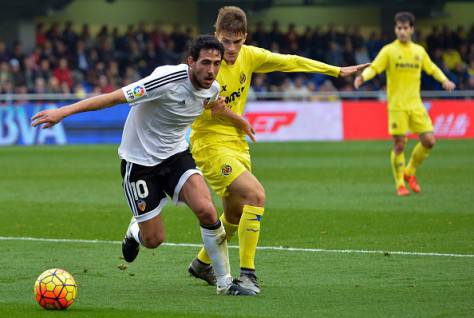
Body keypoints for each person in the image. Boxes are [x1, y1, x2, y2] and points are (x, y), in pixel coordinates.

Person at [31, 35, 256, 296]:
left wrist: (236, 119)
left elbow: (211, 104)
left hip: (175, 157)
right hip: (139, 163)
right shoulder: (165, 81)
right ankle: (135, 231)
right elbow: (114, 97)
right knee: (154, 240)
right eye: (206, 62)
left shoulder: (213, 87)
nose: (212, 70)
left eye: (217, 63)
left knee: (207, 210)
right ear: (191, 61)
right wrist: (63, 112)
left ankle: (225, 282)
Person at [187, 6, 370, 294]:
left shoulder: (250, 56)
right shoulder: (208, 66)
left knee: (234, 215)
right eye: (225, 41)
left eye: (237, 41)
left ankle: (201, 264)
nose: (231, 49)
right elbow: (212, 110)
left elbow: (290, 61)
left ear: (245, 37)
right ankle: (248, 275)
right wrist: (242, 120)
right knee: (255, 195)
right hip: (210, 145)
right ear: (216, 35)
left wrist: (334, 70)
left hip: (237, 144)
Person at [354, 12, 455, 196]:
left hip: (415, 105)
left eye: (405, 28)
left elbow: (432, 68)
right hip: (397, 106)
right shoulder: (389, 51)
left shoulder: (419, 51)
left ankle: (409, 172)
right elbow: (375, 67)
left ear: (412, 29)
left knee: (429, 140)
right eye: (399, 28)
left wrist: (444, 80)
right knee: (399, 144)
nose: (402, 32)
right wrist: (362, 77)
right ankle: (400, 183)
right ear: (395, 29)